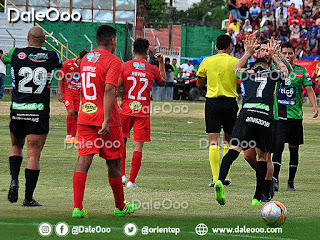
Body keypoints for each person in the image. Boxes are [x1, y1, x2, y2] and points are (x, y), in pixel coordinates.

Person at [214, 37, 293, 206]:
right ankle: (258, 194)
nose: (264, 52)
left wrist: (274, 55)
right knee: (252, 156)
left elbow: (237, 68)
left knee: (259, 155)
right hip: (263, 115)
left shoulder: (252, 72)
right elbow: (286, 72)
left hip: (259, 114)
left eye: (266, 49)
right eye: (262, 49)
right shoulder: (270, 72)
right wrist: (274, 57)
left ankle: (265, 189)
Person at [72, 25, 137, 218]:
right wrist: (107, 120)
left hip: (85, 116)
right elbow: (109, 90)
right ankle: (119, 207)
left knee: (83, 160)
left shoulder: (86, 59)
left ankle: (77, 208)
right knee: (113, 162)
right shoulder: (114, 60)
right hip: (105, 119)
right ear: (113, 41)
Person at [1, 26, 62, 206]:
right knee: (33, 155)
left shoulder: (14, 52)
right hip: (38, 111)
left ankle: (14, 180)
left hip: (18, 109)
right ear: (44, 40)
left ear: (27, 38)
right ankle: (28, 199)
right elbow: (60, 65)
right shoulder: (51, 56)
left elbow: (5, 59)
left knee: (15, 145)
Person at [118, 38, 166, 187]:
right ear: (147, 52)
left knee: (121, 143)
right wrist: (161, 63)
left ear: (132, 51)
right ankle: (132, 181)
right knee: (137, 147)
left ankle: (122, 176)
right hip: (142, 111)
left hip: (125, 109)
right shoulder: (151, 68)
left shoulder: (124, 66)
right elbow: (163, 81)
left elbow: (115, 87)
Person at [272, 42, 318, 191]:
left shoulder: (301, 72)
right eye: (284, 53)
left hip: (296, 117)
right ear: (280, 54)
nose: (287, 56)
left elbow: (309, 90)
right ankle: (275, 180)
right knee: (278, 147)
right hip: (279, 116)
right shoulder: (275, 71)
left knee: (294, 149)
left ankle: (291, 182)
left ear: (294, 54)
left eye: (289, 53)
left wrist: (314, 106)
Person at [197, 34, 239, 187]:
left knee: (214, 142)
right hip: (230, 103)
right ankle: (225, 176)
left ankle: (215, 178)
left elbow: (199, 83)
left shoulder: (207, 61)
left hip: (213, 103)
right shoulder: (236, 62)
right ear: (230, 47)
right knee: (229, 140)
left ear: (215, 47)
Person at [58, 50, 88, 145]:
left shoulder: (84, 67)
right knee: (70, 111)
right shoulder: (67, 64)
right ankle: (68, 136)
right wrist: (60, 93)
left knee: (75, 113)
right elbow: (60, 78)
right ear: (78, 58)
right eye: (82, 61)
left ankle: (73, 137)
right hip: (68, 91)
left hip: (77, 93)